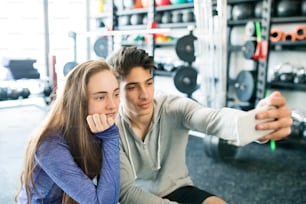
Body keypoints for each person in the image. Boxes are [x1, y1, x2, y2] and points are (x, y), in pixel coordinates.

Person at [107, 46, 292, 204]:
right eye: (132, 87)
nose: (145, 94)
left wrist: (256, 123)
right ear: (116, 92)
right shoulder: (111, 130)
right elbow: (126, 193)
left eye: (148, 83)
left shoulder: (173, 107)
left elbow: (212, 118)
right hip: (139, 198)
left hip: (177, 188)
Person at [16, 59, 120, 204]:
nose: (113, 105)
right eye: (100, 97)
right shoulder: (49, 144)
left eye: (116, 94)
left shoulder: (99, 129)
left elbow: (110, 194)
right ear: (79, 102)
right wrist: (111, 138)